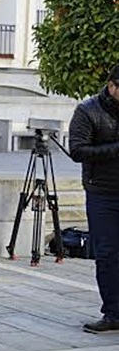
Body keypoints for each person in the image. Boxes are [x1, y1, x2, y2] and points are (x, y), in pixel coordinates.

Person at [68, 64, 119, 334]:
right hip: (103, 192)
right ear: (112, 86)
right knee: (107, 254)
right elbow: (77, 151)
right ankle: (112, 313)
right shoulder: (87, 110)